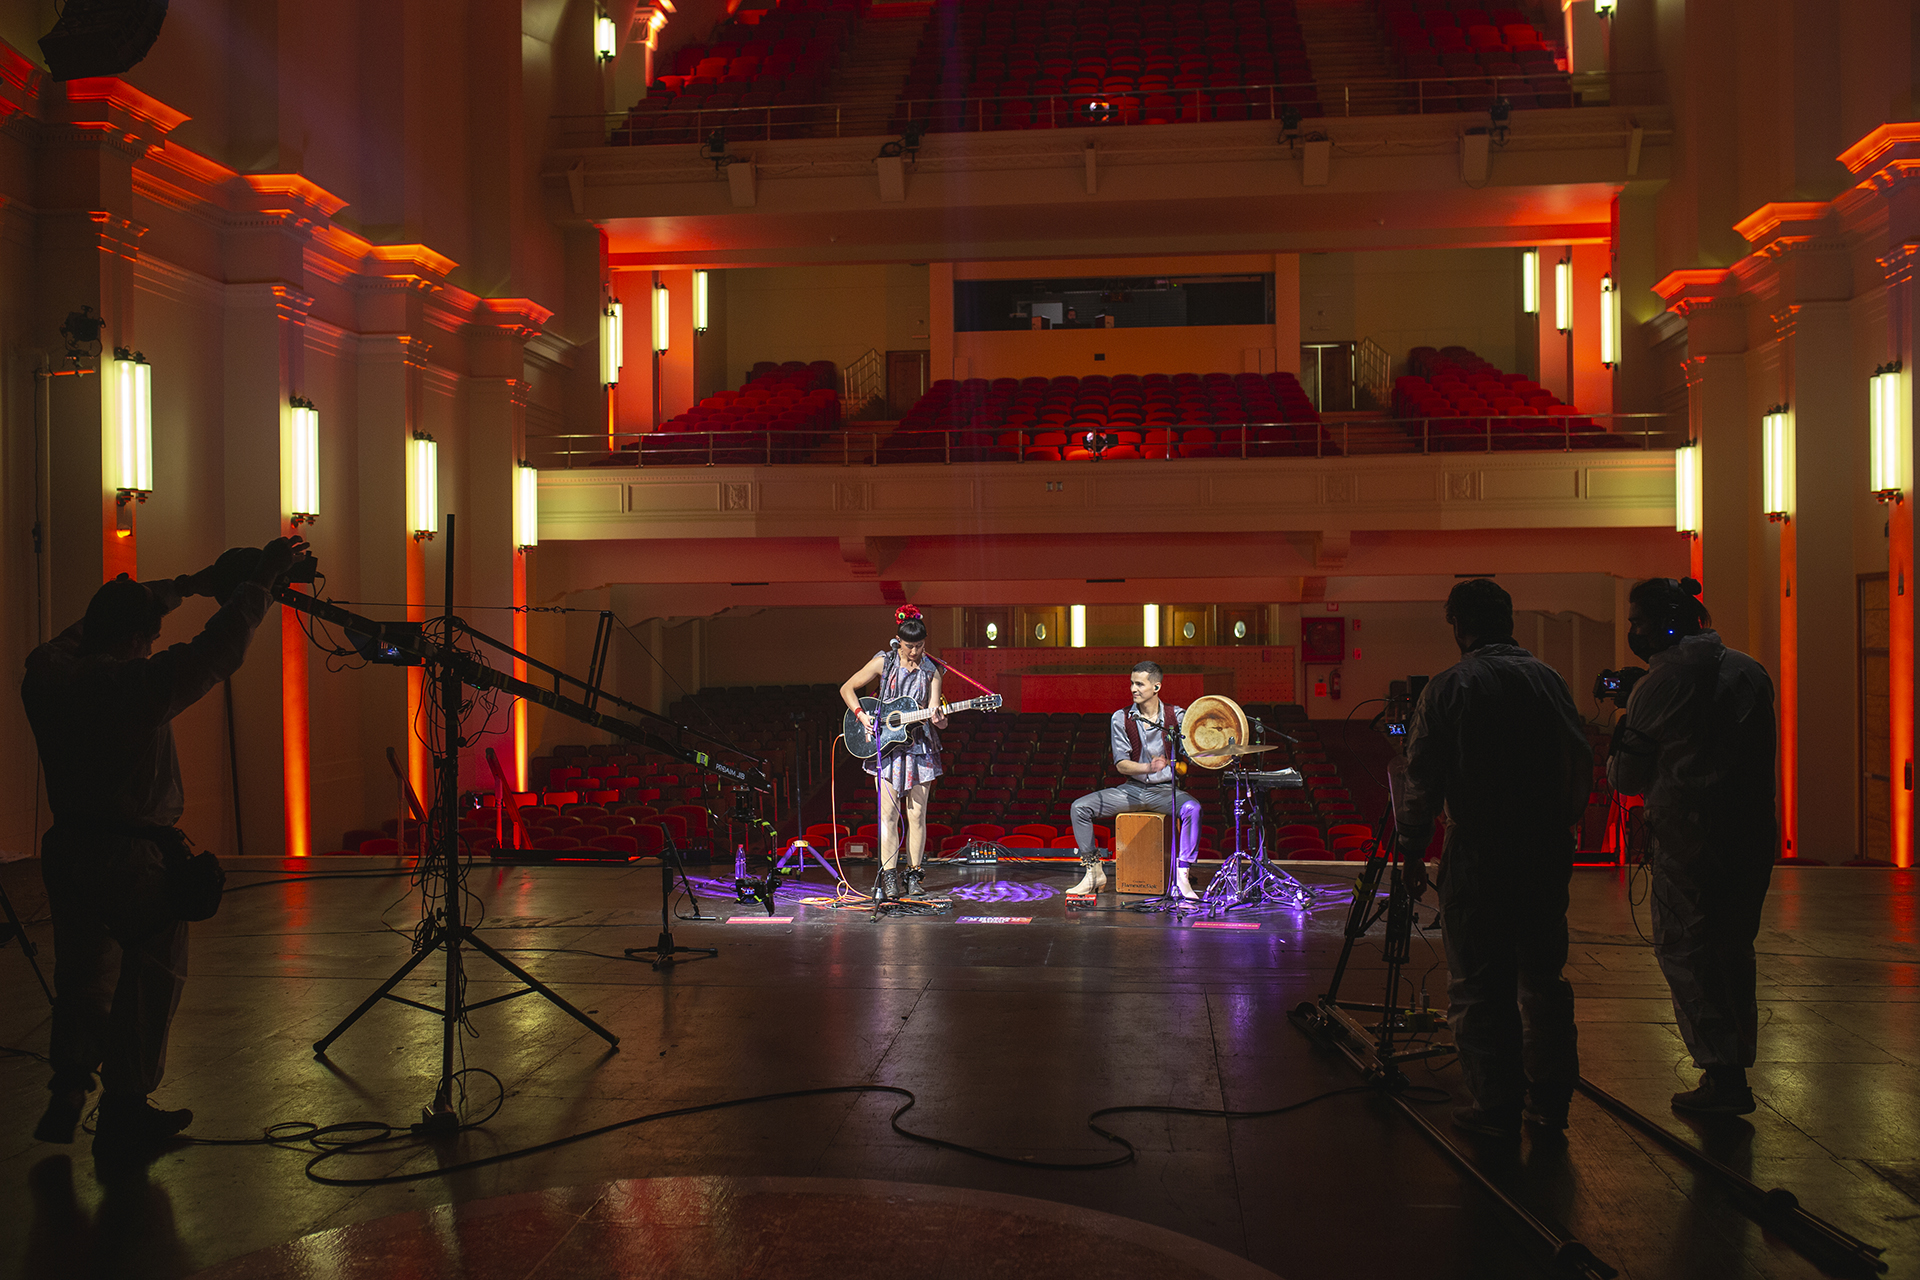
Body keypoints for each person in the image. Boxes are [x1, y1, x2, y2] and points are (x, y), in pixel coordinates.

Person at [24, 537, 305, 1155]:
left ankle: (70, 1081)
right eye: (147, 639)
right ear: (133, 640)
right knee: (153, 972)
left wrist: (183, 585)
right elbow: (215, 651)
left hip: (67, 849)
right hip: (129, 857)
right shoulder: (133, 686)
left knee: (83, 972)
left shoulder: (45, 672)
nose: (150, 648)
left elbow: (85, 628)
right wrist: (260, 582)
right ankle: (125, 1108)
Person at [1396, 578, 1593, 1137]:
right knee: (1543, 979)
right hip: (1546, 848)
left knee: (1481, 983)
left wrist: (1412, 852)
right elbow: (1579, 759)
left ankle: (1496, 1105)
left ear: (1459, 625)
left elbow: (1422, 781)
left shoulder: (1451, 686)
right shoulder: (1550, 680)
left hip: (1481, 851)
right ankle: (1551, 1101)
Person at [1607, 576, 1777, 1116]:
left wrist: (1626, 725)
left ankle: (1722, 1076)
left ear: (1666, 623)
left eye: (1637, 621)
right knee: (1734, 948)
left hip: (1687, 836)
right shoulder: (1750, 671)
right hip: (1751, 834)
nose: (1633, 631)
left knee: (1687, 950)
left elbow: (1627, 778)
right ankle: (1736, 1066)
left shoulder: (1659, 684)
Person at [1067, 661, 1203, 898]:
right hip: (1132, 790)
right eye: (1132, 683)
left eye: (1139, 684)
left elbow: (1195, 748)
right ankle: (1093, 872)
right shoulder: (1121, 718)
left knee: (1194, 809)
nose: (1133, 689)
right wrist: (1148, 767)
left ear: (1156, 687)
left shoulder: (1177, 716)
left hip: (1164, 791)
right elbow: (1121, 764)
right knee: (1079, 808)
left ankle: (1182, 874)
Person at [839, 605, 947, 902]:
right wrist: (861, 715)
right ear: (898, 641)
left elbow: (936, 715)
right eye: (910, 646)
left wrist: (939, 718)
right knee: (887, 814)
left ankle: (913, 875)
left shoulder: (932, 671)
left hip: (919, 746)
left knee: (917, 814)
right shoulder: (884, 663)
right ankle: (888, 877)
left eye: (920, 646)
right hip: (887, 745)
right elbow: (847, 688)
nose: (915, 652)